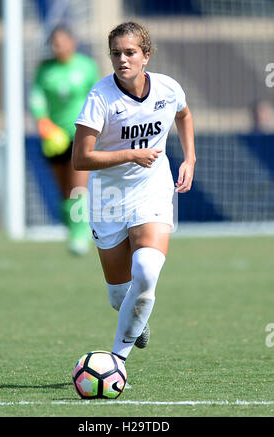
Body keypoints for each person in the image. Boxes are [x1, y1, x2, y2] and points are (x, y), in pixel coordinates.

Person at [72, 22, 196, 364]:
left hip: (152, 189)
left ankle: (116, 361)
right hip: (108, 197)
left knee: (146, 271)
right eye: (115, 53)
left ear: (146, 56)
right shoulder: (100, 97)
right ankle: (133, 320)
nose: (122, 60)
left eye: (130, 53)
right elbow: (81, 159)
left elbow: (183, 114)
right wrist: (130, 154)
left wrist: (190, 157)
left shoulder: (167, 89)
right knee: (119, 296)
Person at [29, 25, 99, 255]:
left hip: (80, 135)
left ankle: (80, 236)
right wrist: (43, 122)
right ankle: (72, 229)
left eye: (61, 41)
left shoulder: (86, 66)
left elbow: (97, 98)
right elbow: (36, 97)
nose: (56, 46)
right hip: (53, 138)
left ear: (72, 42)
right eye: (53, 42)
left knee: (78, 188)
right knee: (64, 191)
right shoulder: (44, 70)